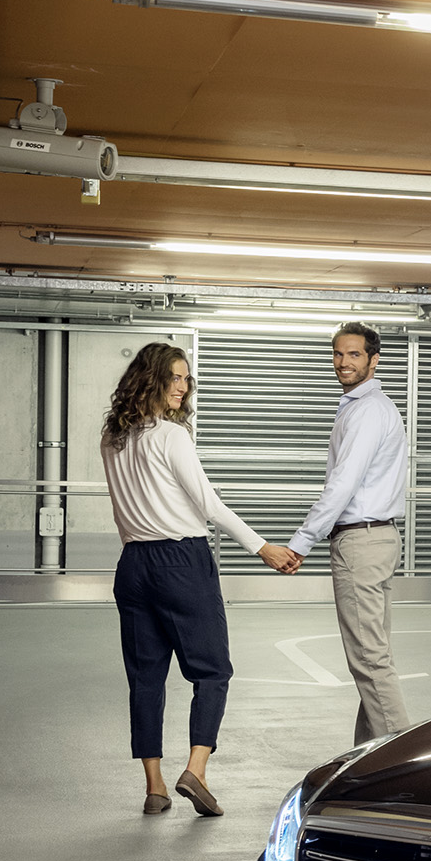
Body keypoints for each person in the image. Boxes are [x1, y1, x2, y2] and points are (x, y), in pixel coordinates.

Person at [99, 341, 283, 815]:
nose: (182, 386)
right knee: (213, 670)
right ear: (152, 380)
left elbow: (123, 510)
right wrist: (261, 546)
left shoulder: (113, 437)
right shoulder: (172, 435)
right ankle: (196, 771)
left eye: (186, 378)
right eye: (173, 378)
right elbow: (208, 503)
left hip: (133, 564)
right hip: (180, 560)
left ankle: (154, 788)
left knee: (145, 678)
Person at [264, 321, 411, 743]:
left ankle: (400, 762)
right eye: (338, 354)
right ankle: (366, 755)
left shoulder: (366, 411)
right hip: (375, 538)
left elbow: (343, 484)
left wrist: (300, 541)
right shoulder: (364, 407)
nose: (344, 362)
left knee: (370, 659)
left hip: (361, 542)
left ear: (374, 360)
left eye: (354, 354)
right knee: (372, 656)